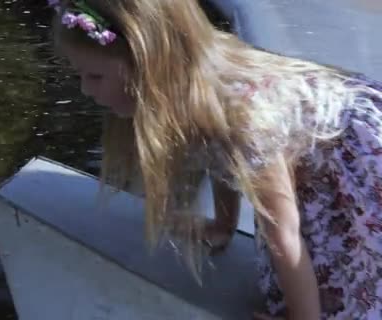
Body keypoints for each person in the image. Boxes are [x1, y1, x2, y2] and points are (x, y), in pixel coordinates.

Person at [47, 0, 382, 319]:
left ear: (147, 65)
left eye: (94, 77)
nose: (86, 91)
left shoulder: (246, 119)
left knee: (349, 276)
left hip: (356, 156)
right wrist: (223, 225)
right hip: (322, 146)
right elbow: (219, 158)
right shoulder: (197, 90)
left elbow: (284, 232)